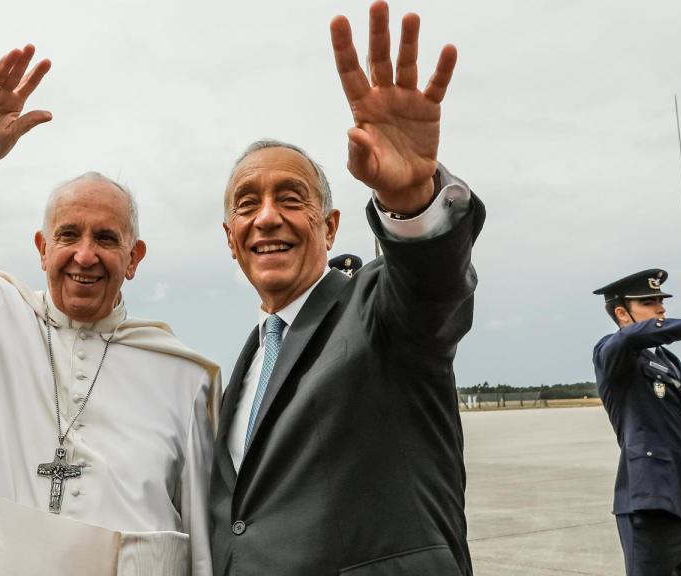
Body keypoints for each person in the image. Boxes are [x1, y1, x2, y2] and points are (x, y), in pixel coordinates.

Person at [0, 44, 219, 576]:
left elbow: (202, 545)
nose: (85, 254)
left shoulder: (183, 376)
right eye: (68, 235)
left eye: (106, 238)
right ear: (41, 248)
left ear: (135, 257)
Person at [208, 2, 485, 574]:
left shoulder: (377, 311)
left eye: (291, 198)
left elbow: (432, 289)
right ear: (231, 239)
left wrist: (411, 200)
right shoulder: (250, 359)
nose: (266, 218)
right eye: (247, 205)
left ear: (331, 227)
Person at [592, 268, 681, 575]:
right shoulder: (613, 351)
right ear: (622, 313)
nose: (661, 307)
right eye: (648, 302)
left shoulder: (667, 359)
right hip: (650, 503)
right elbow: (629, 338)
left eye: (660, 300)